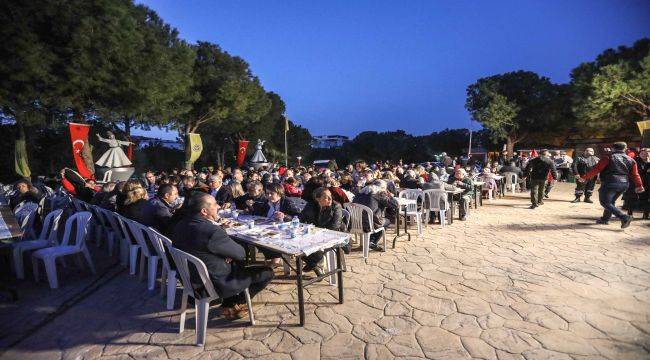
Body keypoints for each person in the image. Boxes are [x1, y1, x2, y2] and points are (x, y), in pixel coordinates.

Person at [172, 192, 274, 320]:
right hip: (212, 282)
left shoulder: (181, 224)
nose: (219, 207)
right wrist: (225, 249)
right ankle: (234, 303)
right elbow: (241, 254)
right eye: (215, 204)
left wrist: (223, 252)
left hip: (189, 277)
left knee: (235, 261)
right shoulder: (211, 231)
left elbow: (202, 247)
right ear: (204, 211)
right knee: (267, 272)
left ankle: (229, 302)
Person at [579, 142, 644, 228]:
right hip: (624, 184)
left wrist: (585, 177)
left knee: (605, 202)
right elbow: (635, 175)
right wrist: (639, 185)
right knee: (610, 202)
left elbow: (597, 169)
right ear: (625, 149)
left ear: (613, 148)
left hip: (610, 182)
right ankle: (605, 219)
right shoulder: (631, 160)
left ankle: (624, 217)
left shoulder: (608, 157)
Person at [298, 187, 345, 275]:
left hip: (333, 235)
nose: (330, 199)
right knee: (297, 245)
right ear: (317, 198)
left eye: (330, 196)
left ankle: (313, 264)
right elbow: (300, 218)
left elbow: (335, 226)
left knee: (314, 249)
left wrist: (316, 232)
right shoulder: (310, 205)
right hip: (314, 233)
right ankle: (314, 265)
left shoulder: (336, 206)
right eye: (326, 197)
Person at [352, 182, 398, 250]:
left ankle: (370, 241)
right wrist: (389, 195)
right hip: (369, 224)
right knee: (387, 221)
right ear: (382, 188)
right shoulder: (378, 194)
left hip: (355, 223)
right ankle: (372, 241)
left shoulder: (359, 193)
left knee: (375, 220)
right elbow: (395, 204)